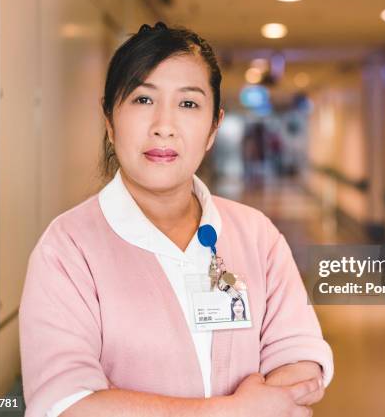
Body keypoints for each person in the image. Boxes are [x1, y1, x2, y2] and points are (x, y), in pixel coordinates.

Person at [19, 22, 333, 417]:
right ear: (109, 120)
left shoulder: (257, 235)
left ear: (214, 126)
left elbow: (299, 359)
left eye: (188, 104)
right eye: (142, 100)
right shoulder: (67, 249)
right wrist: (235, 411)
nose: (163, 126)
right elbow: (66, 404)